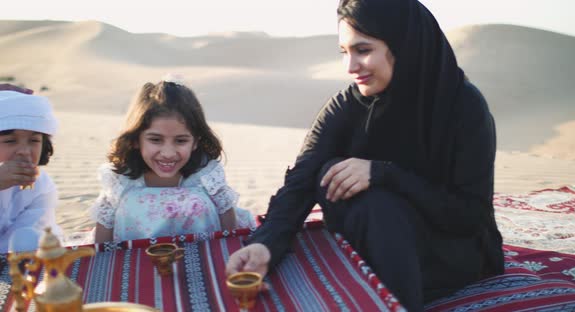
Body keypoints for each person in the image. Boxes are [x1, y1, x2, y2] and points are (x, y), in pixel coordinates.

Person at [225, 0, 504, 310]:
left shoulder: (463, 107)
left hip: (447, 253)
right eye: (344, 52)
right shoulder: (346, 106)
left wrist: (383, 173)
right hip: (373, 245)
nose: (350, 67)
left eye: (363, 50)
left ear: (403, 45)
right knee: (332, 170)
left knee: (377, 201)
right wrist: (265, 245)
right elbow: (301, 182)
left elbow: (468, 214)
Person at [91, 78, 254, 243]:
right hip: (137, 262)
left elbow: (226, 214)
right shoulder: (120, 179)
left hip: (202, 255)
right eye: (155, 140)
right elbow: (105, 226)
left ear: (195, 141)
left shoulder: (206, 173)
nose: (168, 153)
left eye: (181, 141)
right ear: (135, 139)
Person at [0, 91, 62, 253]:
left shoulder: (42, 185)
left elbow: (31, 232)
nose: (25, 151)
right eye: (10, 141)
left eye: (34, 141)